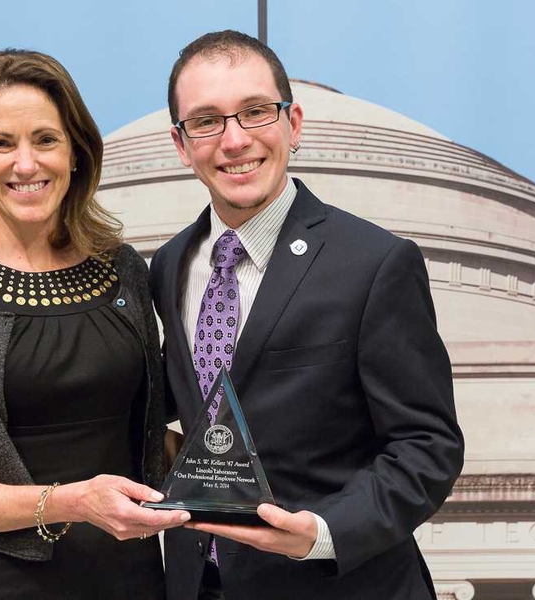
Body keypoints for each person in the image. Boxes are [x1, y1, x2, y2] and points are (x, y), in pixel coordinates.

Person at [150, 31, 465, 599]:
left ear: (293, 123)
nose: (234, 140)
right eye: (206, 121)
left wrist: (321, 533)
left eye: (254, 112)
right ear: (181, 143)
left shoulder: (375, 264)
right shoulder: (170, 265)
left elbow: (427, 446)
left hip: (339, 585)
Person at [0, 49, 188, 599]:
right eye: (2, 143)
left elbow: (145, 432)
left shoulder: (122, 270)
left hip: (130, 576)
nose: (26, 164)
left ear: (75, 153)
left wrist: (236, 458)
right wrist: (72, 502)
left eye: (45, 140)